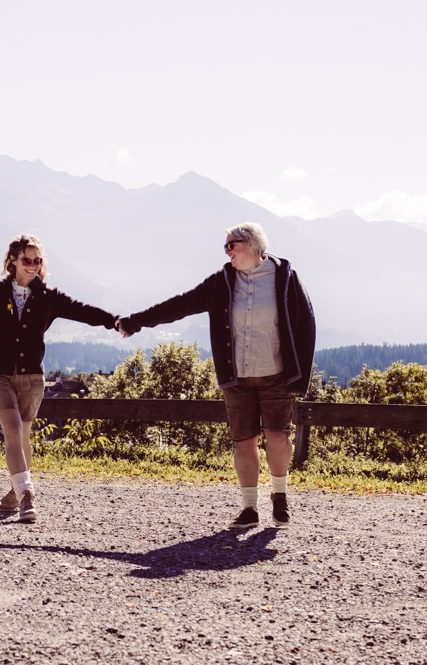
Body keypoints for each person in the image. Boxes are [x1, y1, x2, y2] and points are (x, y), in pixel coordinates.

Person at [116, 222, 315, 529]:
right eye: (225, 247)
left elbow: (306, 326)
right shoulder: (221, 282)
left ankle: (279, 496)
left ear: (251, 245)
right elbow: (179, 305)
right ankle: (250, 508)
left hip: (276, 375)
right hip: (237, 378)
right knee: (244, 441)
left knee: (277, 436)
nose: (226, 252)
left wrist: (299, 378)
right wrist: (135, 321)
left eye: (231, 246)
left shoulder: (285, 278)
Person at [0, 234, 119, 522]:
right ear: (13, 261)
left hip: (31, 377)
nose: (33, 265)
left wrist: (115, 321)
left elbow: (84, 311)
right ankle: (27, 496)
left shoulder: (49, 297)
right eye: (27, 260)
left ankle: (14, 493)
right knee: (14, 431)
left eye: (37, 260)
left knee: (23, 437)